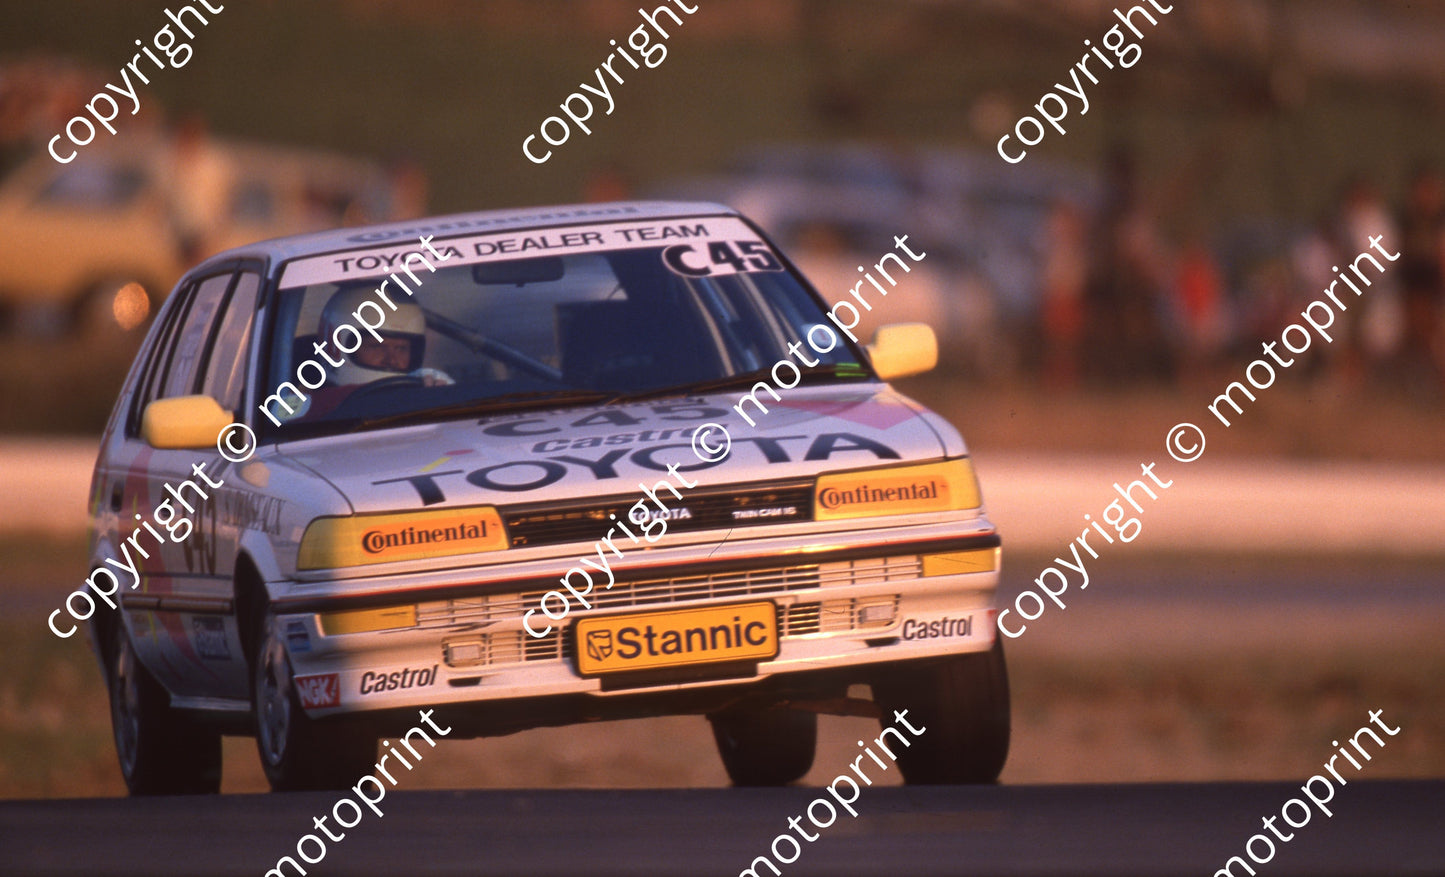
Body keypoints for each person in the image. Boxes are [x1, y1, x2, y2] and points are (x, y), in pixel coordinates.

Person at [303, 286, 451, 419]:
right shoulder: (302, 401)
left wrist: (439, 393)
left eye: (401, 349)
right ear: (337, 346)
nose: (391, 360)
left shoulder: (423, 390)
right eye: (377, 346)